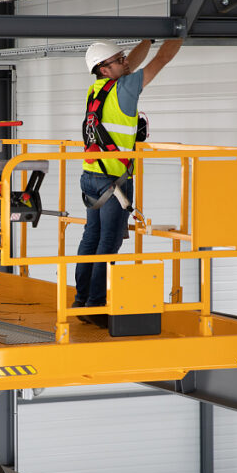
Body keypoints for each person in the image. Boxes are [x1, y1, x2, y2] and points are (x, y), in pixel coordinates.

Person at [73, 38, 181, 327]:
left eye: (122, 57)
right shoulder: (126, 87)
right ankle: (95, 305)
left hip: (91, 176)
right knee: (107, 242)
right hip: (115, 181)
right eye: (119, 60)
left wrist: (147, 39)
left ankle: (81, 300)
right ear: (105, 69)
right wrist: (181, 32)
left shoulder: (96, 89)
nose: (126, 62)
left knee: (91, 237)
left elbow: (132, 61)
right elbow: (162, 60)